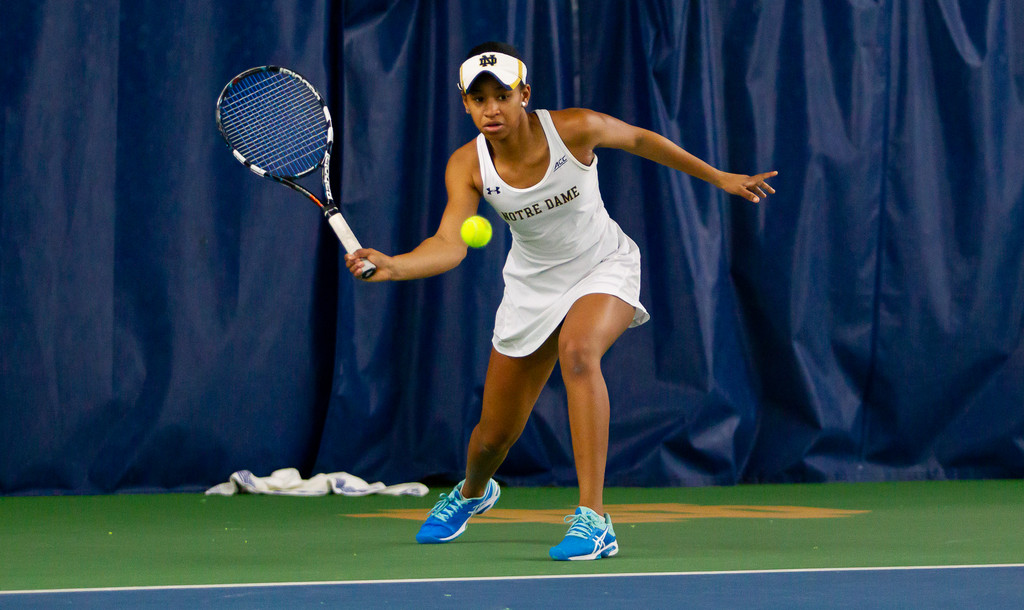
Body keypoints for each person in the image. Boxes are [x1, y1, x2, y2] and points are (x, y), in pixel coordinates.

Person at [345, 42, 777, 560]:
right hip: (531, 288)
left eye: (502, 95)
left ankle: (594, 520)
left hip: (604, 265)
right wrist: (395, 264)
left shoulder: (575, 129)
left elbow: (640, 139)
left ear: (524, 94)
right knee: (490, 440)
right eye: (477, 99)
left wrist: (719, 177)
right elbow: (448, 244)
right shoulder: (468, 165)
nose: (491, 109)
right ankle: (473, 493)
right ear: (464, 105)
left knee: (578, 352)